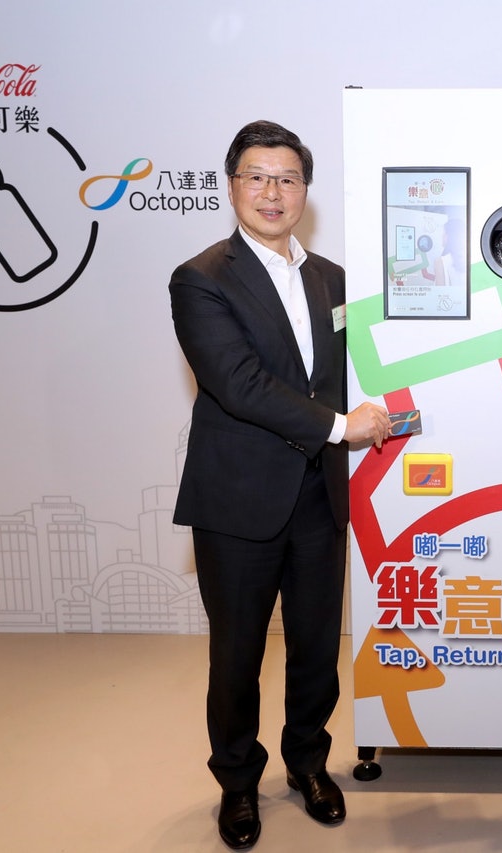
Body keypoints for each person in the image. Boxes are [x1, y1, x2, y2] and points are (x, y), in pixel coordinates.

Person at [169, 120, 390, 850]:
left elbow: (357, 370)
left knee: (316, 648)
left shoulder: (333, 279)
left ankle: (308, 764)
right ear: (233, 186)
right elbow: (238, 383)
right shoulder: (201, 278)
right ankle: (237, 782)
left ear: (305, 191)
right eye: (258, 177)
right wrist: (341, 426)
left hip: (320, 496)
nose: (273, 192)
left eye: (288, 178)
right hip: (239, 499)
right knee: (236, 655)